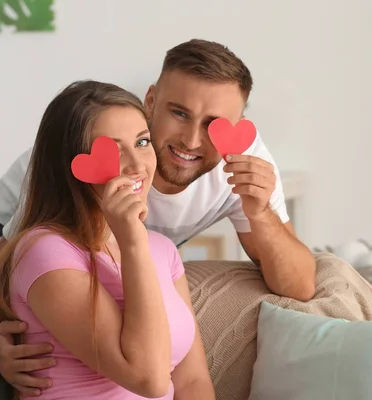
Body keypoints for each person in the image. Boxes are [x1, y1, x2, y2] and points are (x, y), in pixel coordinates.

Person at [0, 39, 316, 397]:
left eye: (213, 124)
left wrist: (259, 213)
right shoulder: (54, 182)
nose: (192, 140)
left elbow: (300, 285)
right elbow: (17, 265)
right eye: (179, 113)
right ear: (151, 101)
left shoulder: (169, 241)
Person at [0, 80, 216, 399]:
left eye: (142, 142)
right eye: (113, 150)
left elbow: (192, 381)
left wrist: (134, 241)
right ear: (72, 165)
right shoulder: (44, 250)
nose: (137, 165)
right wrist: (131, 241)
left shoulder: (162, 250)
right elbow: (150, 379)